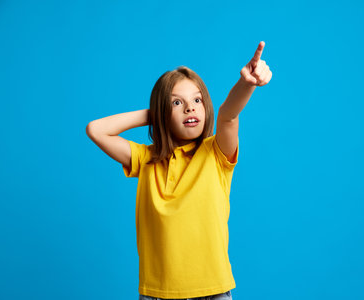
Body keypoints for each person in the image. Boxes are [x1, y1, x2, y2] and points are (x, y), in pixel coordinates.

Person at [86, 41, 272, 300]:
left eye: (197, 100)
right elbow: (96, 129)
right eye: (177, 103)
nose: (190, 108)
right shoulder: (146, 159)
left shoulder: (215, 153)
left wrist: (247, 83)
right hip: (157, 294)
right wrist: (155, 112)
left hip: (212, 292)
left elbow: (228, 115)